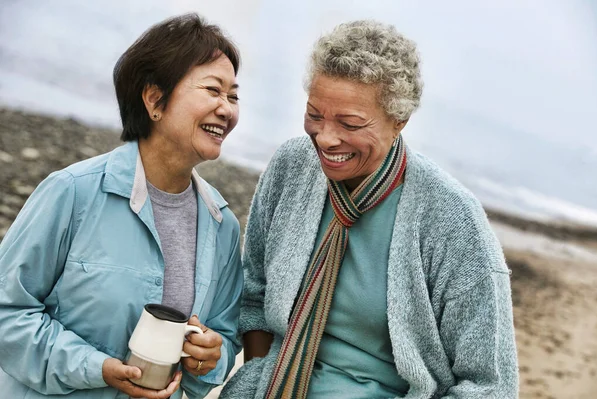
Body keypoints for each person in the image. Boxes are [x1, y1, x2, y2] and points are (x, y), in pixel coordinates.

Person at [220, 20, 518, 399]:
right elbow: (255, 295)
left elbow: (491, 387)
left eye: (350, 123)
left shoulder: (454, 221)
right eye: (315, 114)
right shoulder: (292, 167)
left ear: (399, 121)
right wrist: (262, 377)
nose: (326, 138)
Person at [0, 13, 243, 399]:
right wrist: (96, 368)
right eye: (213, 90)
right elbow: (7, 314)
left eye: (233, 96)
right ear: (154, 100)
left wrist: (210, 356)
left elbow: (225, 340)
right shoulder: (72, 192)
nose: (226, 109)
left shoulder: (222, 225)